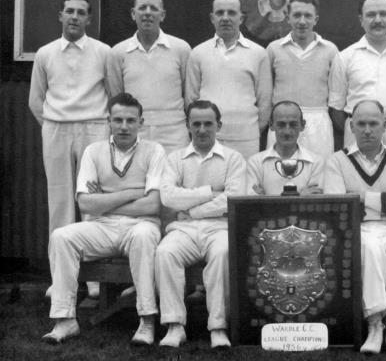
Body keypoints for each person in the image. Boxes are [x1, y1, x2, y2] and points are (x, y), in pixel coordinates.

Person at [42, 93, 166, 345]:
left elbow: (153, 205)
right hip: (102, 227)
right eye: (117, 119)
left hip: (141, 226)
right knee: (61, 236)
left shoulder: (154, 151)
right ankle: (65, 320)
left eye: (130, 120)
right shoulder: (93, 151)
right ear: (108, 121)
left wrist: (106, 201)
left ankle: (146, 321)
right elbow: (85, 202)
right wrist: (132, 193)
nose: (124, 126)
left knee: (143, 236)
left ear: (141, 122)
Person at [29, 0, 111, 299]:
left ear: (89, 19)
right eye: (69, 12)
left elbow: (113, 93)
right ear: (60, 16)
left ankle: (95, 280)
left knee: (93, 201)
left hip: (94, 128)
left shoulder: (103, 52)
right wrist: (54, 125)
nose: (74, 17)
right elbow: (36, 100)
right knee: (61, 203)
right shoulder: (45, 53)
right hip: (56, 129)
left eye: (81, 13)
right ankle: (62, 280)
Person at [324, 100, 386, 354]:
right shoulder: (337, 161)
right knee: (370, 248)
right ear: (351, 126)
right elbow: (338, 207)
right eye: (361, 124)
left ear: (385, 126)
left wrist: (361, 197)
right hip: (358, 230)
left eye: (374, 124)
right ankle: (375, 323)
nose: (367, 130)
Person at [155, 100, 246, 348]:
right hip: (183, 229)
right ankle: (174, 326)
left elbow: (233, 199)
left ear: (219, 125)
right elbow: (168, 197)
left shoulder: (233, 158)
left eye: (208, 123)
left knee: (223, 253)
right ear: (188, 125)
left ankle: (218, 327)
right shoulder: (175, 159)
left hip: (220, 228)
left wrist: (191, 207)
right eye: (196, 124)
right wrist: (209, 192)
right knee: (165, 252)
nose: (202, 129)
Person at [328, 0, 386, 158]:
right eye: (371, 15)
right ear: (361, 20)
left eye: (383, 14)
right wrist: (361, 126)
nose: (378, 20)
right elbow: (337, 110)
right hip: (358, 136)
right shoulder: (344, 57)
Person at [185, 0, 272, 160]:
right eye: (220, 13)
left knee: (245, 184)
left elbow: (265, 102)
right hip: (207, 137)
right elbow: (191, 99)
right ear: (212, 18)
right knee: (208, 184)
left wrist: (249, 129)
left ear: (241, 18)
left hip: (246, 138)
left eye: (231, 13)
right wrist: (204, 127)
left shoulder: (258, 53)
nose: (225, 18)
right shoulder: (198, 53)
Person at [108, 0, 191, 154]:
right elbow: (116, 96)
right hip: (135, 132)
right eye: (142, 8)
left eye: (153, 8)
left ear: (163, 14)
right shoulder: (118, 52)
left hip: (175, 133)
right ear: (133, 13)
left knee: (173, 179)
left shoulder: (181, 49)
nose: (147, 13)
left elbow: (188, 94)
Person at [266, 0, 338, 157]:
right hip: (282, 121)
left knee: (319, 175)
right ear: (288, 17)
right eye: (297, 15)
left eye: (308, 15)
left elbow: (336, 95)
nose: (302, 21)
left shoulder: (330, 50)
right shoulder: (273, 49)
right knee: (279, 172)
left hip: (318, 123)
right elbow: (266, 92)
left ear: (316, 19)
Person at [247, 101, 324, 195]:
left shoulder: (316, 163)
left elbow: (314, 204)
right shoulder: (255, 162)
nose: (287, 132)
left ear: (302, 125)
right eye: (281, 125)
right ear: (271, 125)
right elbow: (252, 204)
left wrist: (266, 199)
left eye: (293, 124)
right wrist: (301, 197)